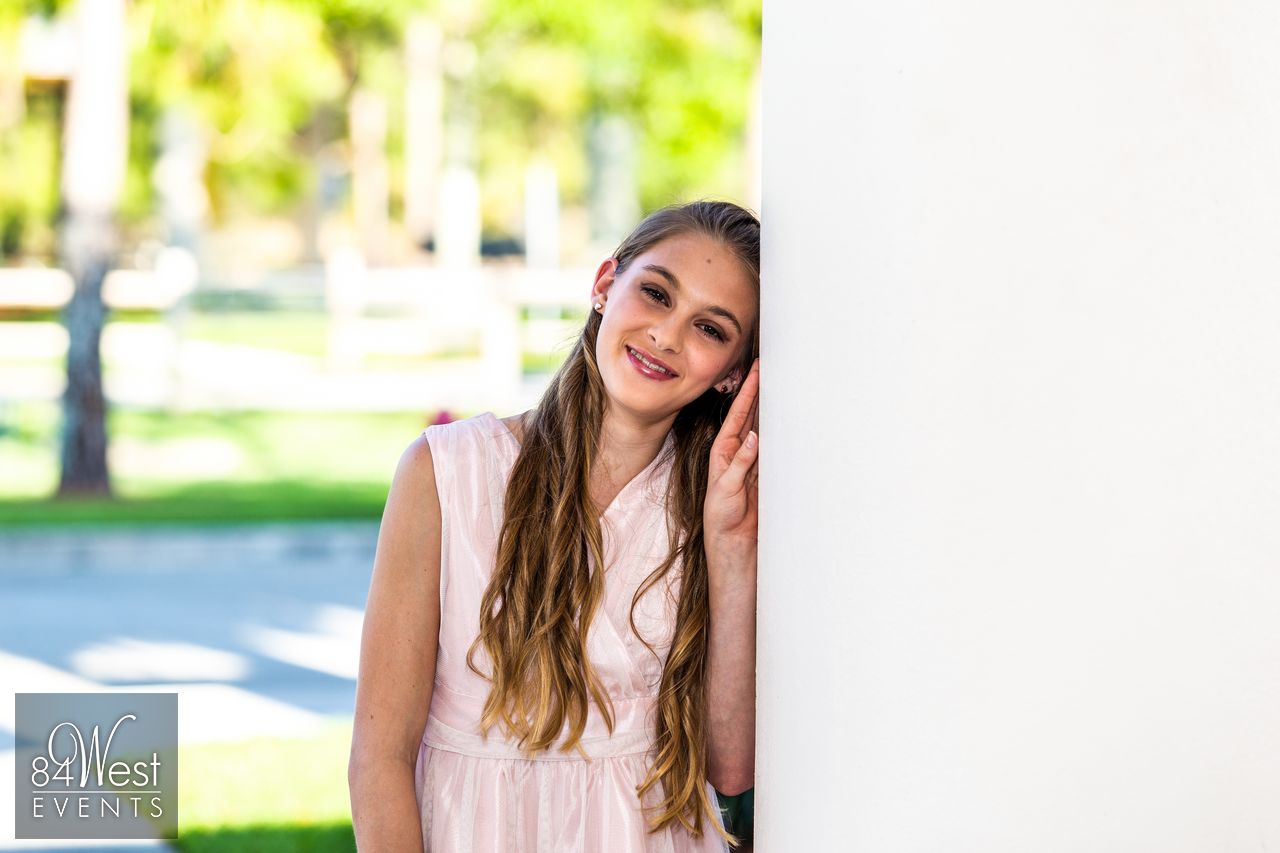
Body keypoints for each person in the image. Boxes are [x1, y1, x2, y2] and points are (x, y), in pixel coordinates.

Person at [349, 200, 761, 852]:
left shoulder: (714, 505)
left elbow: (729, 765)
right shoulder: (446, 475)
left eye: (710, 329)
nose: (667, 335)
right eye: (656, 292)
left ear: (733, 373)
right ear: (605, 284)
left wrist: (732, 547)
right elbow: (379, 757)